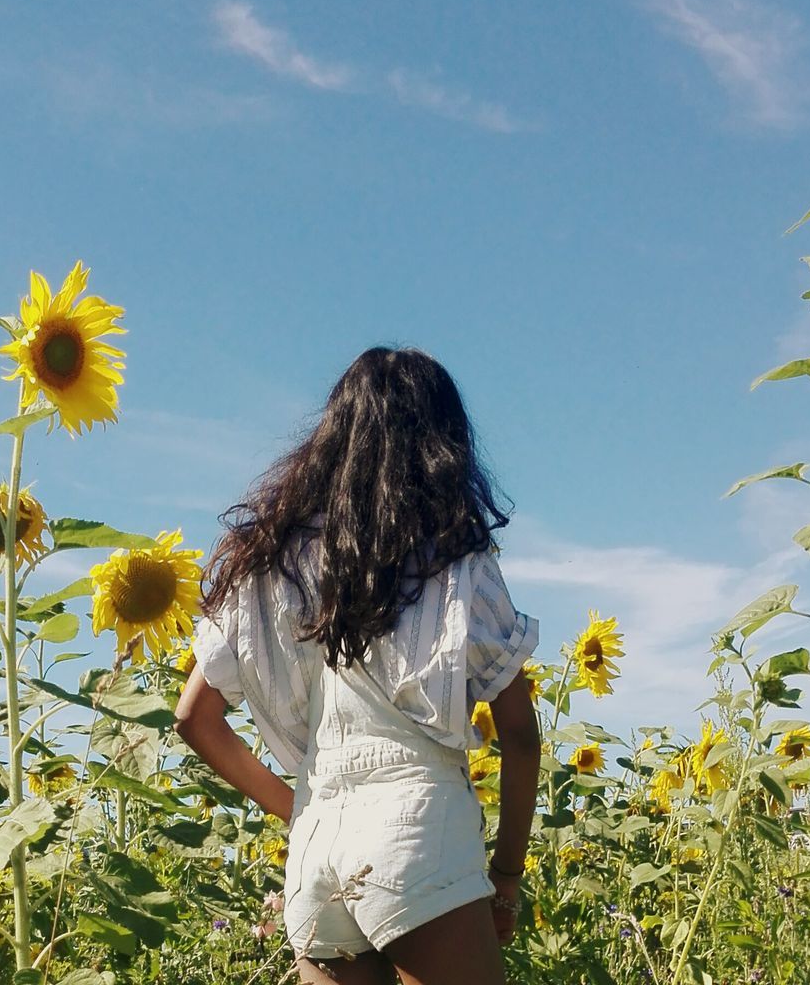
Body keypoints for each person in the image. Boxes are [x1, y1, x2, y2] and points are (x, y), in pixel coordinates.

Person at [174, 347, 541, 985]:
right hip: (418, 830)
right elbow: (519, 734)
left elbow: (194, 719)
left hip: (317, 852)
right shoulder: (451, 557)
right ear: (444, 445)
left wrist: (300, 810)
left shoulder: (271, 564)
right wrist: (506, 878)